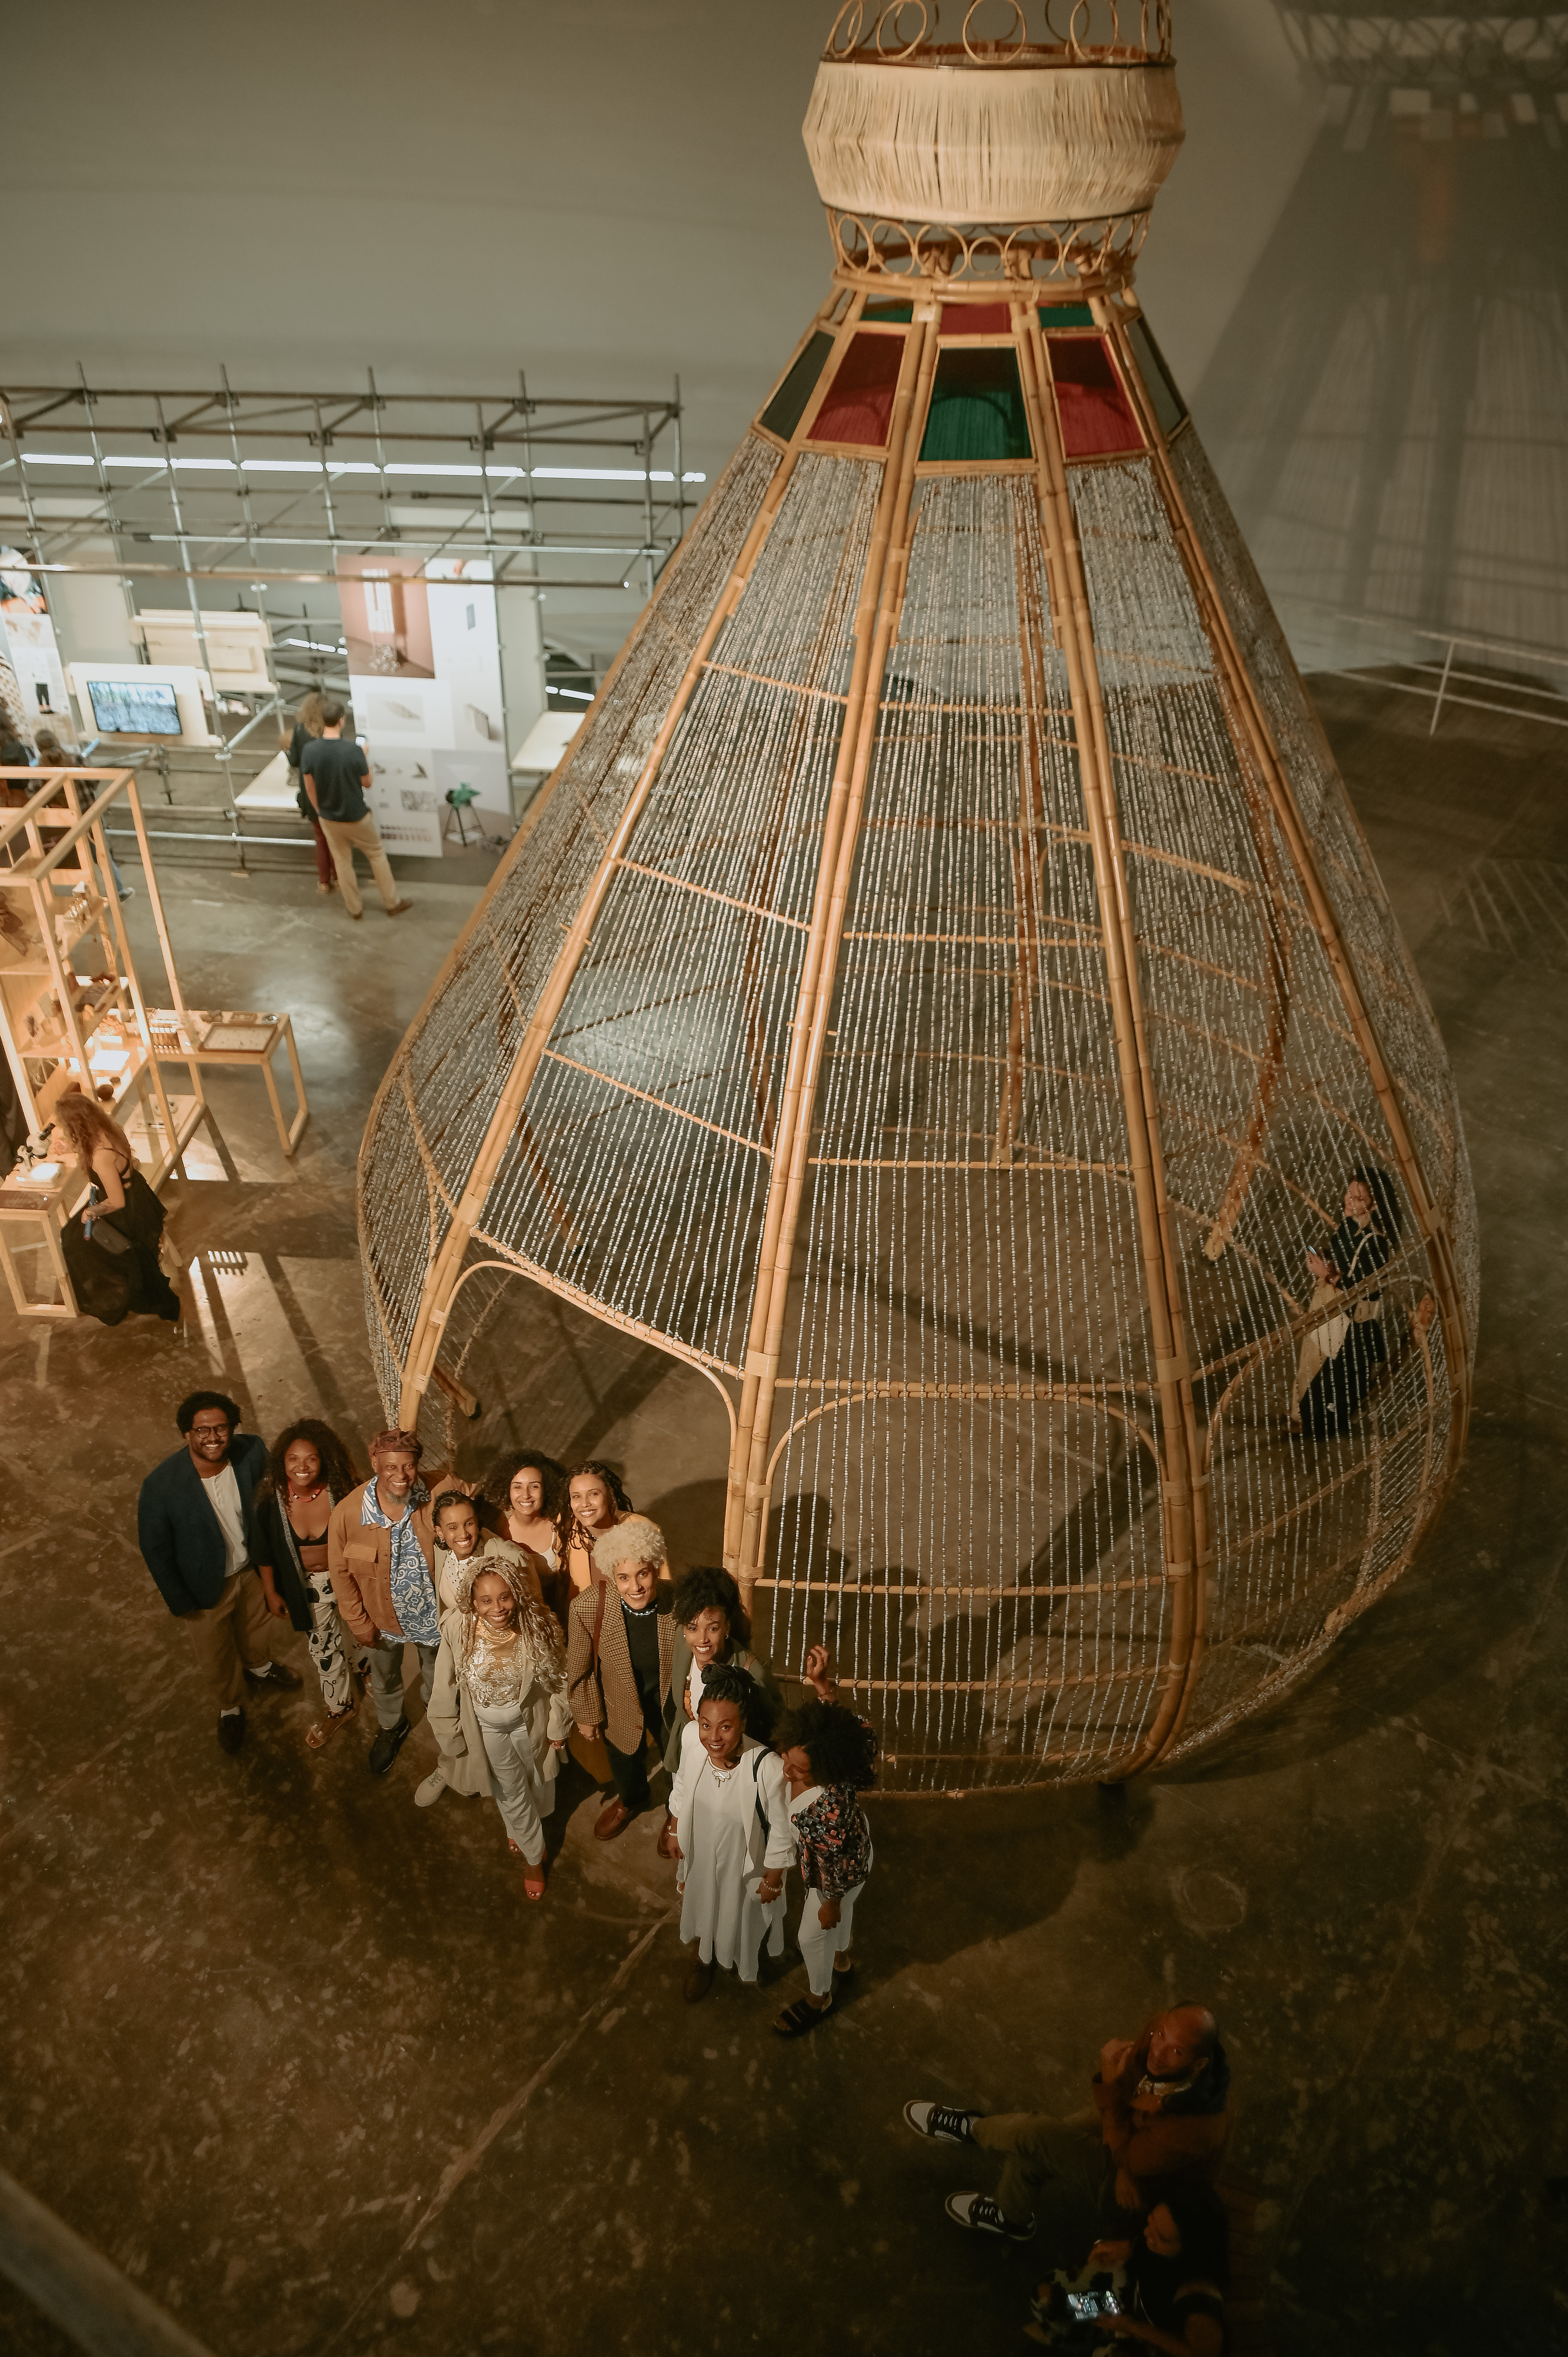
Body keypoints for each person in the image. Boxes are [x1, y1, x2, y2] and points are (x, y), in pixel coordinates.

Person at [905, 2004, 1230, 2246]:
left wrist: (1108, 2081)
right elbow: (1133, 2076)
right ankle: (1011, 2218)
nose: (1158, 2051)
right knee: (1035, 2145)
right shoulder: (1160, 2039)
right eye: (1161, 2034)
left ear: (1199, 2063)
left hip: (1141, 2193)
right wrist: (1124, 2151)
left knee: (1034, 2133)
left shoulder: (1192, 2130)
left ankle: (972, 2129)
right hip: (1131, 2132)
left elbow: (1133, 2157)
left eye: (1176, 2050)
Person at [137, 1391, 303, 1753]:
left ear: (233, 1429)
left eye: (221, 1428)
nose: (213, 1438)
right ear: (187, 1434)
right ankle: (230, 1705)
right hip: (204, 1587)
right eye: (203, 1430)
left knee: (257, 1628)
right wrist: (180, 1600)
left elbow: (270, 1504)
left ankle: (259, 1667)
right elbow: (156, 1550)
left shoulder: (252, 1452)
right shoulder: (161, 1486)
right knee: (215, 1654)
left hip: (250, 1570)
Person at [427, 1551, 572, 1899]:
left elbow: (561, 1681)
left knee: (537, 1779)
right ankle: (534, 1855)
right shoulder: (457, 1627)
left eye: (505, 1596)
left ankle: (521, 1828)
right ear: (473, 1602)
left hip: (531, 1724)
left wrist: (558, 1727)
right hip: (487, 1727)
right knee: (510, 1790)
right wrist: (448, 1730)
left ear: (516, 1593)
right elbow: (443, 1682)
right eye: (486, 1600)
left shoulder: (538, 1625)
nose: (498, 1608)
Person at [326, 1428, 456, 1780]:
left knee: (437, 1671)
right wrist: (359, 1623)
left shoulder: (439, 1491)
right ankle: (391, 1725)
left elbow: (469, 1501)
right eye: (391, 1467)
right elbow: (340, 1573)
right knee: (384, 1678)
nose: (401, 1475)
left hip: (433, 1618)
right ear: (374, 1464)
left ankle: (440, 1715)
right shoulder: (348, 1513)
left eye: (409, 1466)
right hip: (381, 1621)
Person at [666, 1662, 791, 2004]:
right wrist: (676, 1827)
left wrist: (773, 1879)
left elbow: (782, 1831)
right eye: (706, 1725)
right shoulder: (692, 1739)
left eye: (725, 1727)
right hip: (703, 1856)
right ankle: (705, 1958)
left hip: (743, 1867)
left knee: (740, 1914)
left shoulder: (768, 1768)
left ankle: (740, 1954)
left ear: (744, 1724)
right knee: (706, 1903)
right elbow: (682, 1782)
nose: (714, 1737)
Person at [770, 1647, 876, 2037]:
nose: (787, 1770)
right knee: (841, 1918)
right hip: (855, 1857)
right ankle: (843, 1960)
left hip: (839, 1873)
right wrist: (823, 1688)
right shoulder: (835, 1750)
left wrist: (829, 1901)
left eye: (800, 1769)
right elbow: (842, 1726)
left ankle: (820, 1998)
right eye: (787, 1757)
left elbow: (834, 1863)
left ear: (827, 1767)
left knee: (810, 1935)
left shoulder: (828, 1810)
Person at [253, 1420, 368, 1751]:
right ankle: (340, 1708)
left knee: (361, 1628)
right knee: (324, 1649)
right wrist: (271, 1591)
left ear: (324, 1460)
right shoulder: (270, 1500)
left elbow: (366, 1534)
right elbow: (263, 1551)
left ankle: (365, 1667)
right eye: (293, 1459)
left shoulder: (342, 1491)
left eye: (311, 1459)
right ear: (282, 1462)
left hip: (348, 1578)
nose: (302, 1467)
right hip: (306, 1587)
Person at [657, 1564, 783, 1858]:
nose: (701, 1639)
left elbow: (776, 1727)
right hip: (690, 1751)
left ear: (727, 1626)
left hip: (731, 1772)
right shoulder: (682, 1641)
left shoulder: (753, 1671)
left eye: (712, 1627)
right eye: (692, 1627)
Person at [565, 1514, 674, 1842]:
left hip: (667, 1698)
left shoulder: (677, 1599)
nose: (636, 1586)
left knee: (677, 1758)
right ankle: (632, 1800)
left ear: (655, 1567)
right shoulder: (587, 1608)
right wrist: (586, 1714)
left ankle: (678, 1809)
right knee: (625, 1757)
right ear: (612, 1575)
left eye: (643, 1573)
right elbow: (579, 1667)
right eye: (624, 1577)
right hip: (620, 1699)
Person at [1026, 2180, 1229, 2355]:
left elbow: (1202, 2354)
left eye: (1163, 2238)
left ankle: (1078, 2338)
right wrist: (1131, 2247)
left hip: (1146, 2334)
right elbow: (1148, 2243)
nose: (1148, 2235)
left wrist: (1130, 2327)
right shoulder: (1159, 2245)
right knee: (1047, 2298)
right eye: (1151, 2222)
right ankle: (1066, 2335)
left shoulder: (1199, 2293)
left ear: (1192, 2250)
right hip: (1124, 2302)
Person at [52, 1085, 180, 1325]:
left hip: (128, 1211)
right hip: (138, 1196)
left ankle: (109, 1297)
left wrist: (91, 1211)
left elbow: (117, 1202)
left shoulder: (101, 1156)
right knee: (73, 1234)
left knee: (74, 1240)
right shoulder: (108, 1130)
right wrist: (70, 1146)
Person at [1291, 1166, 1401, 1439]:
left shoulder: (1376, 1242)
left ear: (1374, 1205)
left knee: (1323, 1370)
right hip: (1327, 1306)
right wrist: (1327, 1264)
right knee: (1310, 1360)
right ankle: (1301, 1416)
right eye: (1349, 1194)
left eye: (1358, 1198)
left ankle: (1310, 1421)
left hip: (1342, 1318)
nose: (1348, 1201)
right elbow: (1347, 1267)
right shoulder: (1351, 1226)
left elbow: (1366, 1290)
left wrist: (1327, 1274)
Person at [299, 699, 411, 923]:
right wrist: (365, 756)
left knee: (342, 862)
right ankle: (392, 903)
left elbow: (309, 787)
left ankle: (355, 909)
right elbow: (367, 782)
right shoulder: (353, 751)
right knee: (377, 855)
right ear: (342, 721)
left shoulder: (310, 750)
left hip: (329, 819)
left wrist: (321, 812)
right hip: (357, 817)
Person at [480, 1448, 569, 1620]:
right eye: (517, 1487)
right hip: (508, 1616)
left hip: (555, 1614)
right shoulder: (494, 1528)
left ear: (547, 1489)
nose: (526, 1495)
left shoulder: (560, 1527)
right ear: (507, 1490)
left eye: (534, 1487)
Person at [560, 1460, 632, 1602]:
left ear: (610, 1495)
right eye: (576, 1496)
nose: (585, 1504)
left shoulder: (640, 1530)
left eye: (593, 1494)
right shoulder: (566, 1531)